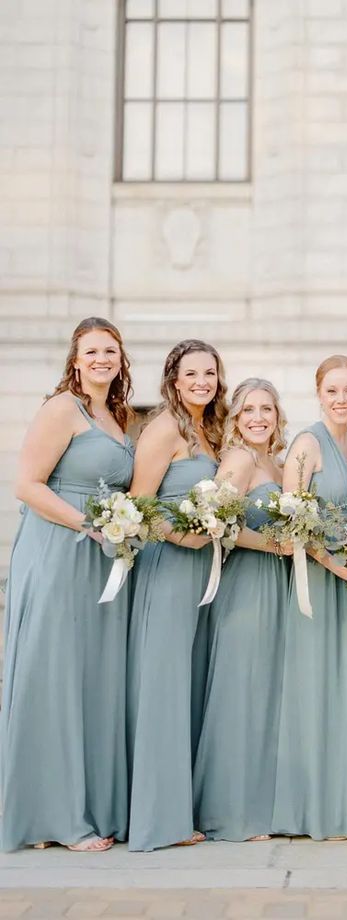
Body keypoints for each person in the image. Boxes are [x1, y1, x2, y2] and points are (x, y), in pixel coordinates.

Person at [2, 317, 134, 852]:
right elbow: (27, 485)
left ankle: (90, 806)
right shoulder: (61, 409)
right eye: (92, 351)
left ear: (121, 360)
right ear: (75, 360)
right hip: (58, 550)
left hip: (101, 558)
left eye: (111, 351)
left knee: (90, 679)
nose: (103, 359)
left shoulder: (114, 416)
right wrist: (87, 525)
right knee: (53, 675)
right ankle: (50, 817)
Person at [126, 339, 227, 852]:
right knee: (164, 689)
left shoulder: (208, 432)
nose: (202, 382)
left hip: (202, 576)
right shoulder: (164, 427)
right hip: (169, 568)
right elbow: (140, 504)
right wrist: (181, 534)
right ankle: (158, 820)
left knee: (187, 688)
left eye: (209, 373)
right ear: (174, 378)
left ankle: (183, 808)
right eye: (192, 374)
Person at [272, 356, 347, 840]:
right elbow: (294, 522)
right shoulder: (307, 443)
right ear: (318, 393)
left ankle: (341, 800)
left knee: (346, 689)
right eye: (332, 391)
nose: (342, 399)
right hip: (320, 579)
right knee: (313, 687)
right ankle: (308, 808)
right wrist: (337, 566)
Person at [193, 379, 291, 841]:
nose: (258, 417)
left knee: (266, 691)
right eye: (248, 410)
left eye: (266, 409)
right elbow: (214, 524)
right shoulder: (239, 459)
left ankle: (261, 804)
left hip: (276, 585)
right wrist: (272, 544)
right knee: (242, 688)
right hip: (247, 583)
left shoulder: (275, 459)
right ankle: (230, 810)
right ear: (234, 418)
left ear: (277, 415)